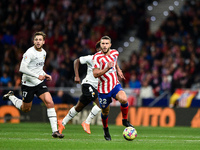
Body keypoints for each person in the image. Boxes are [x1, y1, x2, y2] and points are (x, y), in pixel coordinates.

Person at [2, 31, 64, 138]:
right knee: (26, 109)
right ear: (33, 41)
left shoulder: (44, 53)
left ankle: (55, 131)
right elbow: (22, 68)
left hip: (39, 83)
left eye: (40, 40)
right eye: (36, 40)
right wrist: (37, 75)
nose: (38, 41)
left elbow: (38, 68)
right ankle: (11, 96)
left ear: (44, 41)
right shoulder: (29, 53)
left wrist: (45, 74)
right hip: (28, 84)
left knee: (50, 102)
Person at [92, 36, 133, 141]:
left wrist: (118, 70)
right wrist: (106, 69)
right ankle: (105, 129)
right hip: (103, 90)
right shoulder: (97, 57)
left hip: (115, 85)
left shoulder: (115, 53)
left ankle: (124, 120)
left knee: (124, 99)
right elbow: (95, 74)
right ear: (100, 45)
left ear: (110, 45)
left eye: (106, 43)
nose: (104, 46)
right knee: (105, 112)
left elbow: (114, 62)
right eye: (103, 44)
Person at [57, 41, 102, 135]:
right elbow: (76, 61)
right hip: (87, 84)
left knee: (78, 107)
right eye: (103, 48)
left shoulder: (105, 61)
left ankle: (62, 123)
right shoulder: (91, 58)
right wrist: (76, 76)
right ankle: (87, 122)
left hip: (94, 87)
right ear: (98, 49)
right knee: (100, 103)